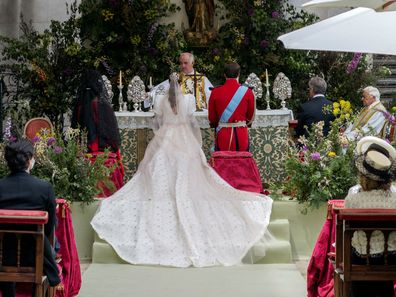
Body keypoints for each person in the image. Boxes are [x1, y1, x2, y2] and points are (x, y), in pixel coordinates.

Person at [91, 73, 272, 268]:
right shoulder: (189, 99)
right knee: (189, 173)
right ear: (181, 86)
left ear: (168, 86)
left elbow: (157, 124)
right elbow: (193, 124)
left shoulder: (160, 100)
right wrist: (197, 144)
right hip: (185, 139)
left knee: (159, 170)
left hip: (166, 138)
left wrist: (161, 134)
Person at [0, 139, 60, 297]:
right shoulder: (44, 188)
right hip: (34, 256)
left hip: (2, 255)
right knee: (51, 242)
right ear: (29, 160)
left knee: (8, 246)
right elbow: (49, 227)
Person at [344, 136, 396, 297]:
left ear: (363, 174)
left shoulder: (353, 197)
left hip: (361, 258)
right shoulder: (395, 197)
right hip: (391, 259)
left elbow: (346, 224)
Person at [71, 70, 124, 192]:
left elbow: (75, 132)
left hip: (84, 152)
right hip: (103, 153)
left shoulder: (79, 107)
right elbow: (111, 133)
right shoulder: (103, 106)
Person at [208, 62, 255, 151]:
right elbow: (250, 117)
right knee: (242, 162)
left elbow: (212, 118)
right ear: (239, 74)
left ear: (224, 75)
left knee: (223, 162)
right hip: (241, 134)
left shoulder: (215, 92)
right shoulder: (248, 92)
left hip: (223, 135)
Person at [149, 53, 213, 110]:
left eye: (185, 63)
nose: (183, 66)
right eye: (181, 63)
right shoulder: (176, 77)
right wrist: (150, 94)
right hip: (180, 114)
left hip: (199, 112)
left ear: (192, 63)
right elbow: (161, 89)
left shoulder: (202, 78)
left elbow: (211, 96)